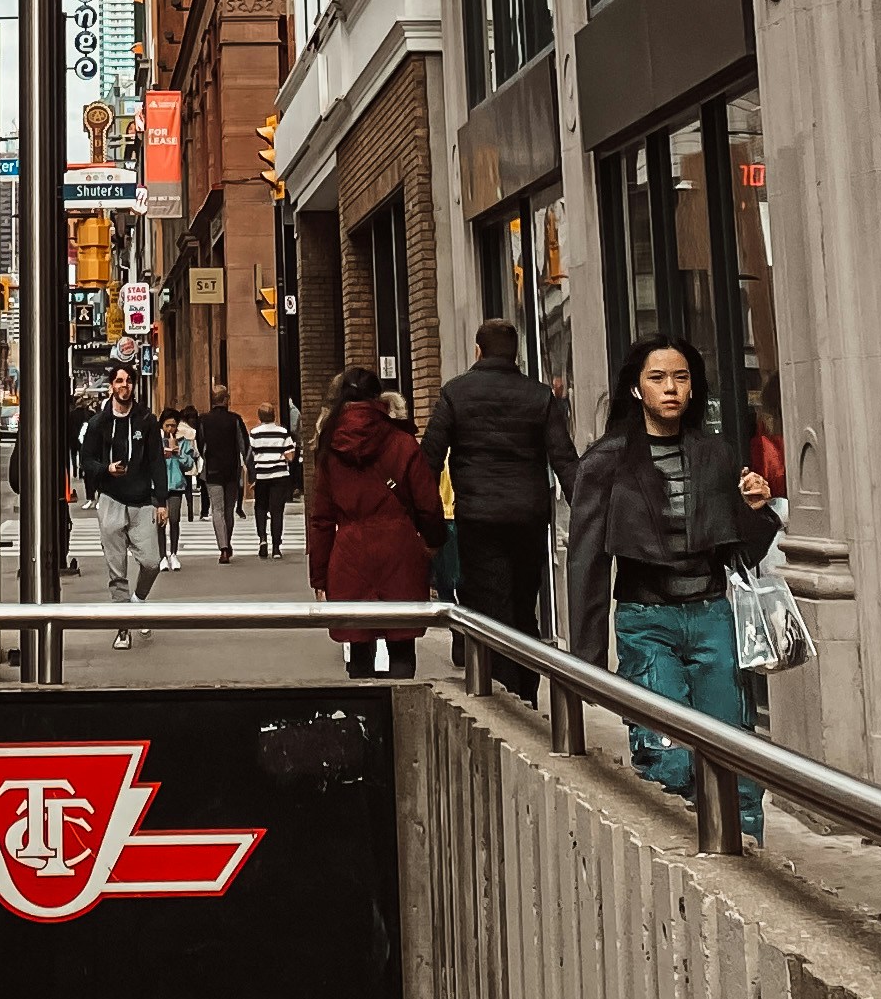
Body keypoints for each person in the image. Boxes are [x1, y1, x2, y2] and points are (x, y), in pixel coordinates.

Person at [567, 333, 779, 843]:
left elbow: (740, 552)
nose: (670, 388)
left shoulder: (715, 454)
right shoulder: (607, 461)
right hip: (646, 620)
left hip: (712, 616)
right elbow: (587, 563)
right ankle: (677, 853)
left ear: (693, 387)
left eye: (680, 377)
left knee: (736, 752)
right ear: (637, 389)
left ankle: (746, 851)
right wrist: (588, 662)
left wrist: (755, 510)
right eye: (657, 378)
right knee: (666, 756)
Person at [422, 317, 578, 702]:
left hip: (477, 514)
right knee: (524, 601)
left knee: (487, 600)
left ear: (478, 351)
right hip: (528, 516)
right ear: (516, 353)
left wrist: (424, 518)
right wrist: (587, 513)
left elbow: (429, 458)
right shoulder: (540, 396)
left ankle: (502, 685)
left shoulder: (456, 393)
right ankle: (525, 687)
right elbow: (564, 459)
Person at [305, 362, 442, 678]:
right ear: (379, 398)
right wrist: (432, 542)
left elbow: (322, 519)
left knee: (358, 640)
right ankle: (403, 716)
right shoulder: (402, 441)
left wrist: (319, 577)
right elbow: (427, 503)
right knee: (402, 641)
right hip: (399, 548)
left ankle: (365, 719)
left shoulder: (329, 446)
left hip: (350, 551)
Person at [77, 360, 168, 640]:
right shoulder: (98, 423)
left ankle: (138, 602)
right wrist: (106, 469)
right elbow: (86, 461)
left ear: (133, 385)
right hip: (111, 500)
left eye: (128, 381)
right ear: (111, 386)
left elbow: (156, 461)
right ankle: (123, 627)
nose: (124, 386)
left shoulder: (147, 421)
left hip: (141, 501)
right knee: (117, 572)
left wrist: (161, 501)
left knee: (152, 562)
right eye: (119, 381)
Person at [196, 387, 248, 562]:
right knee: (228, 510)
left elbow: (200, 443)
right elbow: (243, 445)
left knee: (216, 509)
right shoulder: (235, 419)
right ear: (226, 399)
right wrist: (247, 466)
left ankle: (223, 547)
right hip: (232, 469)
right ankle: (228, 542)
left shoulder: (203, 420)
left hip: (212, 469)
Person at [246, 404, 298, 556]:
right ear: (274, 415)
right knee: (277, 510)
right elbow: (290, 457)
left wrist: (252, 477)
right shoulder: (283, 432)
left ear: (260, 416)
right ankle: (276, 547)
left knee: (260, 508)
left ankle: (262, 539)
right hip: (279, 476)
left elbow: (250, 457)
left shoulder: (254, 433)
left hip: (262, 476)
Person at [160, 410, 192, 566]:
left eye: (173, 426)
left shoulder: (184, 442)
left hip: (176, 485)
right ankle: (161, 555)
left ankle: (173, 553)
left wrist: (179, 453)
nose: (170, 429)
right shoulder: (156, 442)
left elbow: (189, 465)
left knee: (174, 519)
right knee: (160, 521)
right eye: (167, 425)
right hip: (158, 485)